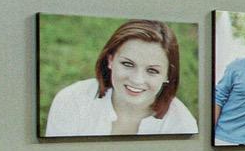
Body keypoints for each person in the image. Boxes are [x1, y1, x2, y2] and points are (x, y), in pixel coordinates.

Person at [44, 19, 197, 137]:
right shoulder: (72, 101)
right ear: (110, 60)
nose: (137, 80)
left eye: (152, 70)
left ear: (167, 75)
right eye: (127, 64)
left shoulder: (181, 124)